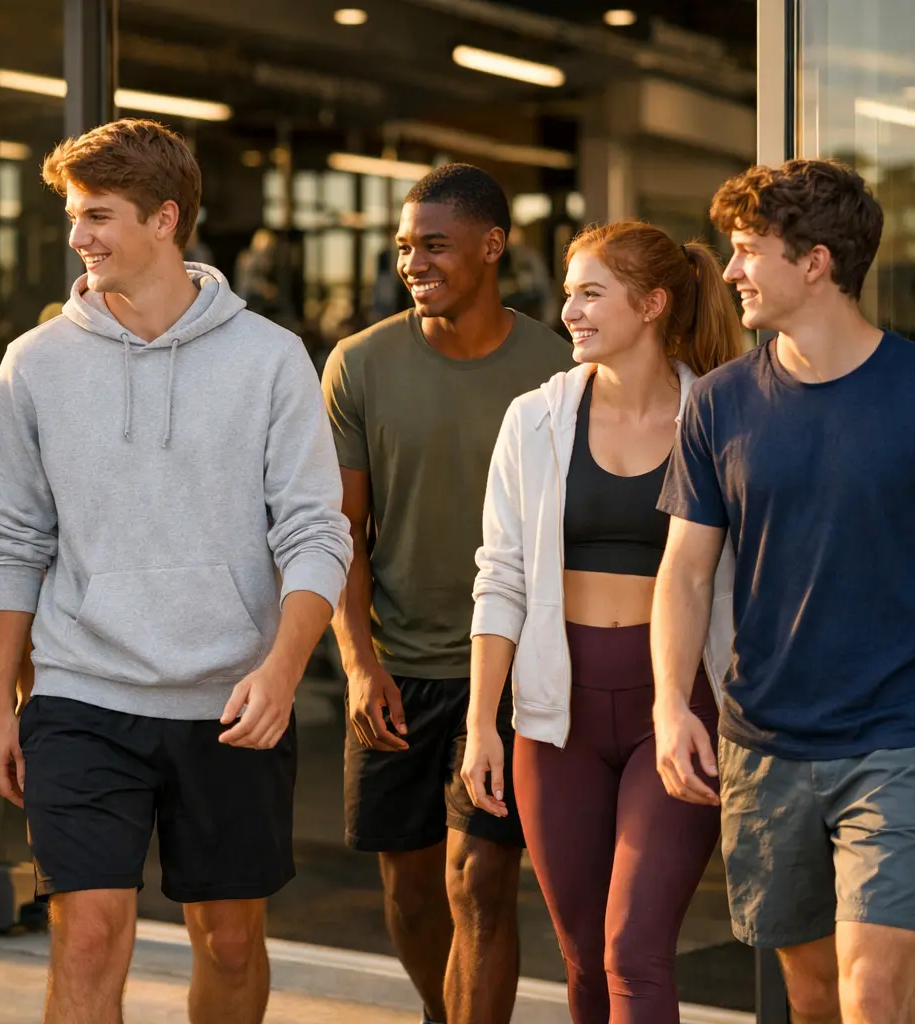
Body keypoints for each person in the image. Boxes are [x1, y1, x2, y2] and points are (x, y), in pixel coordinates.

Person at [0, 118, 352, 1024]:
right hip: (81, 692)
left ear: (165, 219)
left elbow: (316, 532)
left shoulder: (270, 358)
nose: (78, 236)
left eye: (98, 215)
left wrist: (282, 670)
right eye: (74, 215)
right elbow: (12, 540)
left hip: (231, 703)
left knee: (229, 942)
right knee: (87, 936)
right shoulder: (36, 363)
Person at [652, 159, 915, 1023]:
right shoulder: (718, 404)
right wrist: (671, 704)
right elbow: (685, 570)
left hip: (903, 736)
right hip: (766, 739)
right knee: (815, 995)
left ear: (816, 262)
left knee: (874, 989)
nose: (732, 270)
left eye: (749, 250)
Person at [463, 221, 742, 1024]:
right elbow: (500, 577)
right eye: (569, 293)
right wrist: (483, 723)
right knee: (585, 955)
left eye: (591, 293)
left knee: (634, 949)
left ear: (652, 304)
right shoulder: (534, 419)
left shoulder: (717, 417)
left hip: (680, 709)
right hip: (557, 715)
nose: (570, 312)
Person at [322, 162, 573, 1024]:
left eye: (434, 244)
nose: (412, 263)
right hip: (398, 670)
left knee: (479, 881)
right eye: (403, 247)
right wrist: (359, 665)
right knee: (412, 889)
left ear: (492, 246)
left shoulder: (558, 369)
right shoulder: (359, 364)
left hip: (506, 670)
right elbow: (341, 535)